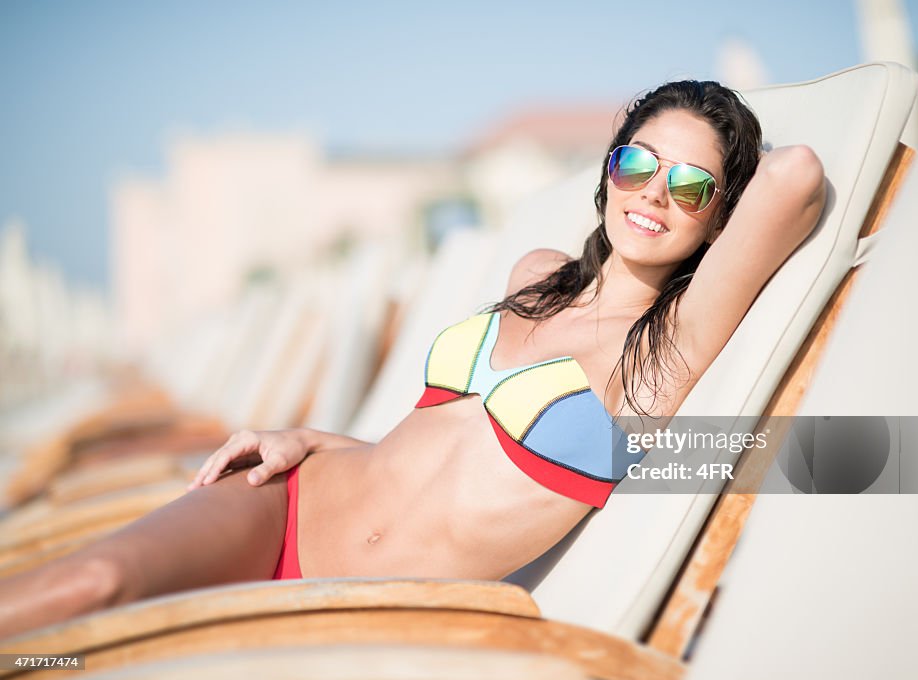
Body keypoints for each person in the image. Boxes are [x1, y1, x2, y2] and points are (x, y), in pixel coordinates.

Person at [0, 79, 825, 639]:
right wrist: (317, 439)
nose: (652, 193)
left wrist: (726, 168)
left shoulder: (659, 356)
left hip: (350, 605)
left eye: (690, 186)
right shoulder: (534, 277)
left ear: (720, 217)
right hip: (280, 502)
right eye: (638, 163)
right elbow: (429, 447)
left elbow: (796, 175)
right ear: (608, 169)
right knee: (87, 586)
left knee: (71, 644)